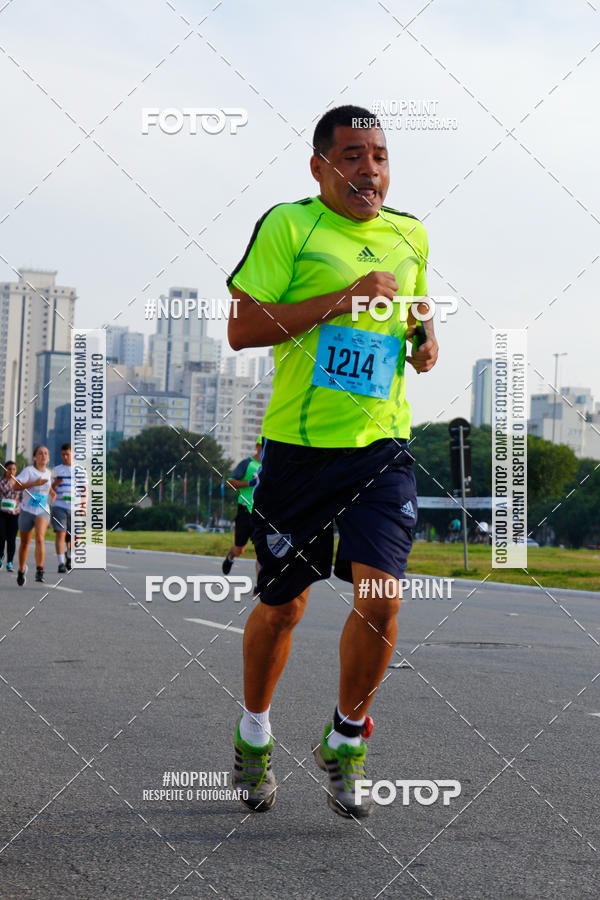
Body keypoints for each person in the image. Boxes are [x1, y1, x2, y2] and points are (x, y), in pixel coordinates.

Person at [226, 105, 438, 818]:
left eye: (378, 155)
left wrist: (424, 337)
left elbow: (414, 307)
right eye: (350, 156)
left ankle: (346, 737)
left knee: (382, 597)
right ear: (320, 166)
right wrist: (341, 299)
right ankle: (254, 731)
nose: (367, 169)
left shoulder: (410, 233)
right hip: (298, 451)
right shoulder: (289, 226)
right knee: (283, 610)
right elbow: (243, 328)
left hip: (381, 448)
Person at [222, 439, 262, 577]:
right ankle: (230, 556)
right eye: (263, 446)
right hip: (245, 511)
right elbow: (229, 483)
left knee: (262, 551)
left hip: (262, 513)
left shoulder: (272, 466)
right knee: (240, 549)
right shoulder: (247, 464)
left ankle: (260, 586)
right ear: (257, 446)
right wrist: (250, 482)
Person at [15, 445, 55, 585]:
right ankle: (21, 569)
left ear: (48, 458)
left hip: (42, 510)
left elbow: (47, 487)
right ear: (34, 457)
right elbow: (15, 486)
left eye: (45, 453)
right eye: (40, 453)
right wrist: (34, 483)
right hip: (27, 510)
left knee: (39, 537)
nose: (43, 456)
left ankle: (39, 569)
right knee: (25, 543)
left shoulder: (50, 473)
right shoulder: (28, 471)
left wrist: (52, 493)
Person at [51, 443, 73, 573]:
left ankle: (69, 556)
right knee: (60, 533)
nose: (65, 457)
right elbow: (50, 489)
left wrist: (84, 506)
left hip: (75, 507)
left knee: (75, 537)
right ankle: (60, 563)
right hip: (59, 506)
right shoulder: (56, 470)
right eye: (63, 454)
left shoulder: (79, 470)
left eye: (68, 454)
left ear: (72, 454)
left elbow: (85, 490)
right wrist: (55, 483)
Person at [0, 461, 21, 571]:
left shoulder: (19, 483)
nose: (11, 471)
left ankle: (10, 562)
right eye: (9, 469)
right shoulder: (1, 482)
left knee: (11, 539)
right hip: (2, 513)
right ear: (5, 470)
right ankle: (0, 557)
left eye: (13, 469)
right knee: (1, 536)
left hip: (14, 514)